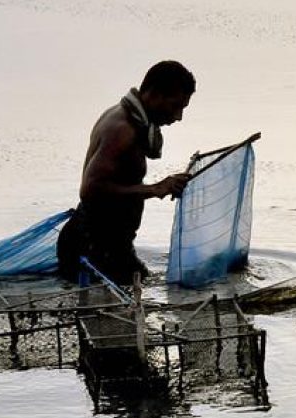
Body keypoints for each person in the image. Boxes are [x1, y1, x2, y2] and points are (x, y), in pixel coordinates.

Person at [58, 60, 195, 285]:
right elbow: (90, 189)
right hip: (94, 245)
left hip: (108, 244)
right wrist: (155, 189)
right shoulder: (123, 129)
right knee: (124, 305)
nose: (178, 116)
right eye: (175, 106)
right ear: (155, 94)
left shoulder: (129, 118)